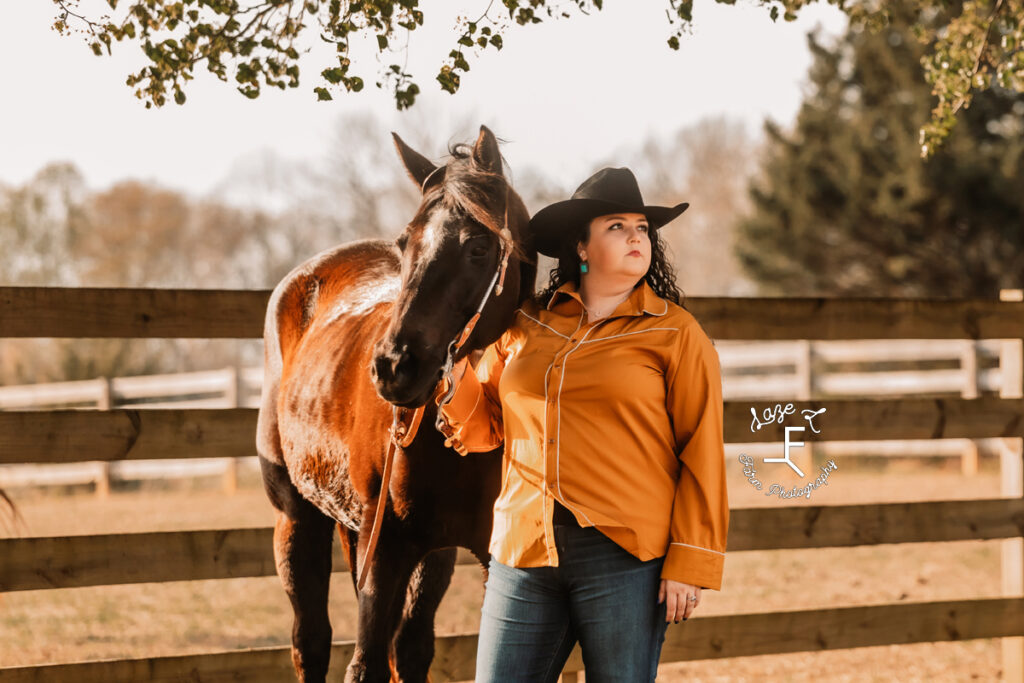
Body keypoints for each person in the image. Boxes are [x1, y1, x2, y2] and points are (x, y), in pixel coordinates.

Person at [437, 167, 728, 682]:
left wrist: (691, 561)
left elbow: (701, 451)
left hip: (626, 556)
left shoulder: (676, 334)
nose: (636, 237)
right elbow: (483, 430)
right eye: (616, 227)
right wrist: (454, 365)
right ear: (582, 248)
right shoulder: (525, 326)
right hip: (522, 549)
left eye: (641, 227)